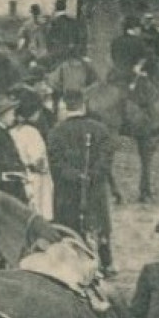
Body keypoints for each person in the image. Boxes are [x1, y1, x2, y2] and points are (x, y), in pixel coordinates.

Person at [46, 88, 117, 276]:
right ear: (83, 105)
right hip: (95, 188)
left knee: (69, 226)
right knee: (99, 225)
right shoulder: (101, 130)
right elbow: (106, 159)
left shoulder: (55, 132)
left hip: (67, 190)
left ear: (64, 107)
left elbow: (56, 164)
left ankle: (71, 264)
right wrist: (92, 175)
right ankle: (106, 263)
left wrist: (76, 176)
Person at [8, 91, 54, 219]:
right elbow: (39, 162)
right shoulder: (32, 133)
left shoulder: (12, 132)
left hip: (21, 177)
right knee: (39, 212)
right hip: (36, 179)